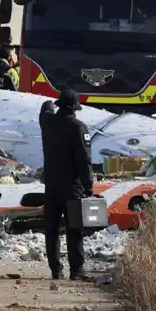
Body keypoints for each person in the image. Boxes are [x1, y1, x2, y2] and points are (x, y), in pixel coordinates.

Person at [39, 89, 95, 281]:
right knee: (74, 228)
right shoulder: (78, 127)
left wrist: (51, 104)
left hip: (51, 185)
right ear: (74, 108)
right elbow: (84, 160)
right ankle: (76, 270)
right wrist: (89, 186)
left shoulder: (47, 122)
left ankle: (56, 270)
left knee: (52, 229)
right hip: (72, 186)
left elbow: (44, 109)